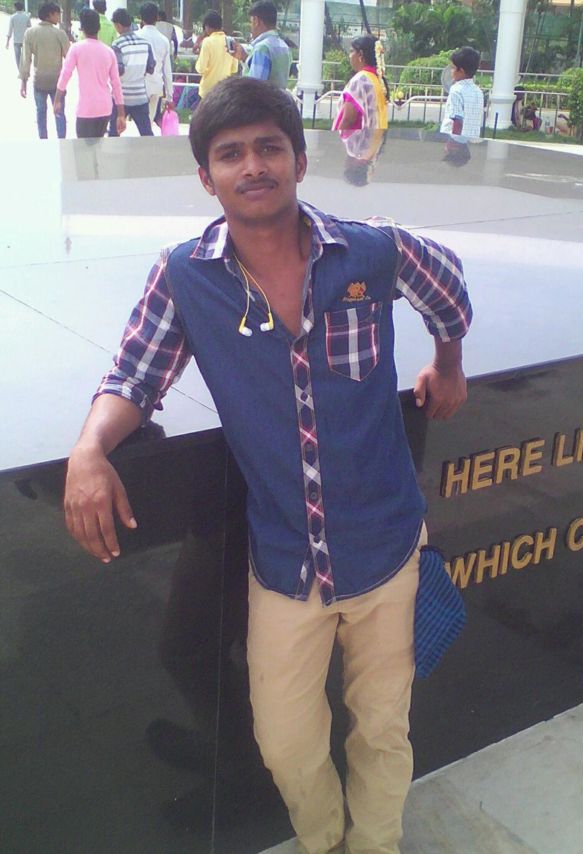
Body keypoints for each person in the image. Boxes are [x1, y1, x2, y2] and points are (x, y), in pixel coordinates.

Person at [63, 77, 472, 854]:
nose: (252, 166)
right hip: (286, 562)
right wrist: (89, 450)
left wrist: (448, 363)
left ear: (298, 161)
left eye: (268, 148)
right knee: (284, 740)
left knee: (382, 728)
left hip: (387, 547)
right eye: (230, 154)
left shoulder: (372, 251)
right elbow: (135, 376)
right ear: (206, 177)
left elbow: (448, 290)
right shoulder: (186, 276)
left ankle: (375, 845)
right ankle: (324, 840)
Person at [54, 8, 125, 139]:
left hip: (85, 108)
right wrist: (121, 113)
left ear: (82, 28)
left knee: (83, 148)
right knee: (98, 146)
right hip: (104, 108)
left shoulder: (76, 49)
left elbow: (65, 75)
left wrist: (57, 99)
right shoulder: (109, 52)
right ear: (98, 28)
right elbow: (116, 83)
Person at [20, 2, 69, 139]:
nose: (59, 16)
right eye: (57, 13)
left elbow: (25, 60)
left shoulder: (30, 33)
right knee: (59, 113)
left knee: (41, 114)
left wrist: (24, 82)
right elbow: (69, 58)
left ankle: (43, 141)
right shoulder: (60, 34)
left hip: (39, 80)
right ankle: (62, 141)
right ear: (50, 15)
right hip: (58, 82)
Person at [108, 8, 155, 137]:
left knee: (114, 134)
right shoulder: (145, 43)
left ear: (118, 25)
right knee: (146, 134)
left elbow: (119, 70)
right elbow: (151, 67)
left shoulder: (117, 44)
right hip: (140, 96)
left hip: (121, 98)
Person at [333, 34, 389, 132]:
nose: (349, 56)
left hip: (357, 139)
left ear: (360, 55)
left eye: (351, 51)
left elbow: (348, 120)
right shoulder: (377, 79)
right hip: (375, 138)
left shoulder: (360, 81)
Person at [231, 0, 291, 89]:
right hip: (279, 97)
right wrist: (245, 58)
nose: (251, 27)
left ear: (256, 21)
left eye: (251, 22)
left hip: (261, 98)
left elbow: (254, 86)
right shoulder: (284, 46)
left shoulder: (262, 48)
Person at [138, 2, 174, 126]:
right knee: (148, 123)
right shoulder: (164, 40)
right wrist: (169, 97)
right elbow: (167, 71)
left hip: (137, 87)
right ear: (157, 17)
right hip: (155, 86)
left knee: (139, 124)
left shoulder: (136, 37)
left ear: (141, 17)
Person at [440, 45, 484, 142]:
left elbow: (457, 120)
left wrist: (453, 142)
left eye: (453, 68)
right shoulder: (478, 91)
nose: (451, 71)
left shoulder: (456, 90)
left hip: (454, 140)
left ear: (461, 71)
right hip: (471, 141)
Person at [195, 10, 238, 100]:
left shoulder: (207, 42)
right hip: (224, 91)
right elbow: (234, 68)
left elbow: (201, 69)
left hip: (208, 92)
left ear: (207, 26)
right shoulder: (231, 41)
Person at [6, 1, 31, 69]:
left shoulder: (13, 17)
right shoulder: (26, 16)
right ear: (22, 8)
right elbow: (30, 28)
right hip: (25, 40)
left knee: (17, 57)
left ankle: (20, 70)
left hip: (16, 41)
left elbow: (10, 30)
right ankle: (25, 70)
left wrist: (7, 42)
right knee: (25, 57)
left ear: (15, 8)